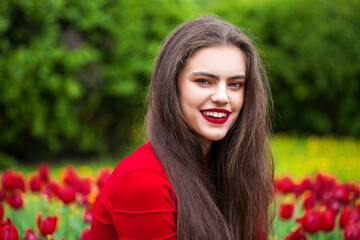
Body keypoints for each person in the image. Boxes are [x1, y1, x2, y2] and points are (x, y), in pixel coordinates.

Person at [91, 16, 274, 240]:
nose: (222, 97)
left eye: (235, 84)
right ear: (172, 86)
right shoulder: (144, 180)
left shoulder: (237, 171)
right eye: (204, 81)